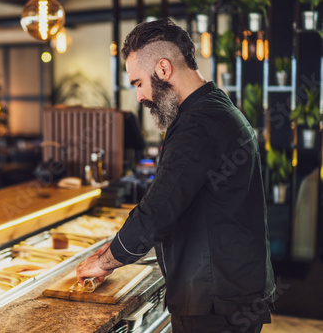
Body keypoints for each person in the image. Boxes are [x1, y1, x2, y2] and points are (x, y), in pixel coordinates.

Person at [76, 18, 275, 333]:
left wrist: (104, 261)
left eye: (139, 83)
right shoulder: (215, 106)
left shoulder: (198, 123)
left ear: (163, 69)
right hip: (231, 289)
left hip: (215, 298)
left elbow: (158, 209)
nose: (139, 97)